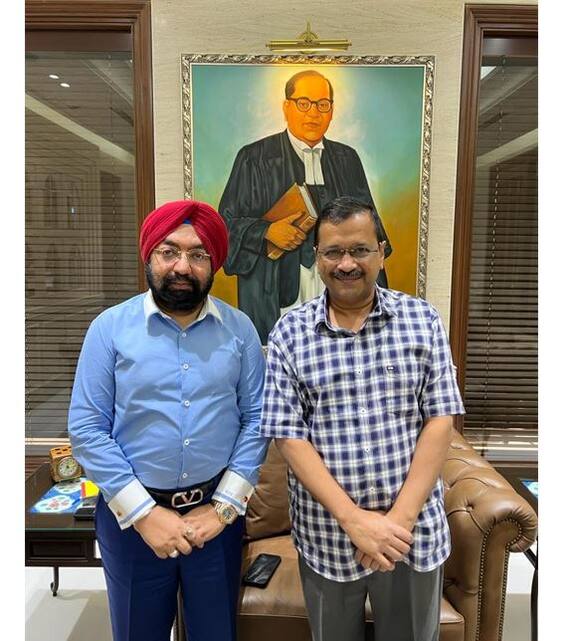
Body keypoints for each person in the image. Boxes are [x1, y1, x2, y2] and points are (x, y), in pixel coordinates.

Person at [260, 196, 465, 641]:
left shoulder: (422, 319)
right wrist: (353, 520)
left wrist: (399, 522)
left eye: (359, 250)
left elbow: (440, 419)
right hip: (328, 534)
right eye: (333, 252)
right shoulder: (289, 333)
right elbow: (289, 437)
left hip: (412, 535)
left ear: (381, 252)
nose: (346, 264)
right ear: (317, 257)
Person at [68, 200, 268, 641]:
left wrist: (223, 509)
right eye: (169, 251)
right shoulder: (109, 329)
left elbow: (257, 419)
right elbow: (87, 429)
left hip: (214, 521)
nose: (182, 266)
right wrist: (144, 515)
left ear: (214, 263)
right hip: (131, 523)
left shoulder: (240, 330)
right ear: (149, 255)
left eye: (198, 254)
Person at [219, 69, 392, 344]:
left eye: (322, 105)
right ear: (286, 107)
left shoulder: (347, 158)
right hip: (277, 289)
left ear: (331, 111)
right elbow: (224, 227)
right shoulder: (254, 158)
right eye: (304, 103)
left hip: (337, 286)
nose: (313, 113)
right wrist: (266, 232)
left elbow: (373, 230)